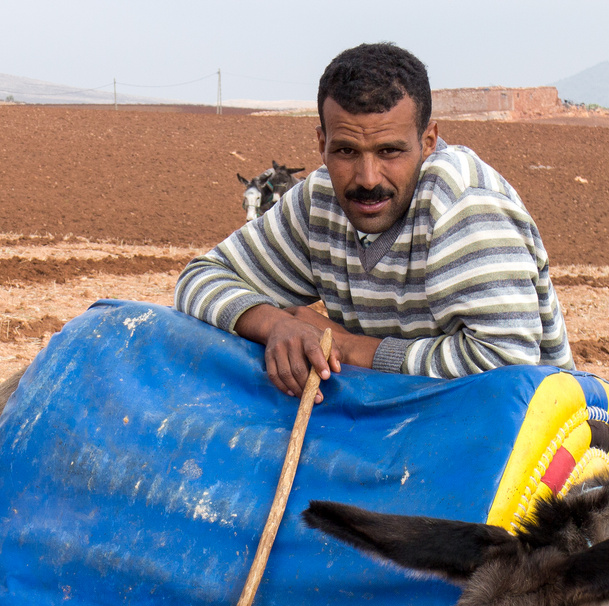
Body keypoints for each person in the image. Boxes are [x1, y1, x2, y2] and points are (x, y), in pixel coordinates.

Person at [175, 43, 570, 403]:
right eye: (346, 150)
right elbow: (200, 278)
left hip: (523, 436)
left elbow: (509, 368)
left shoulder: (462, 206)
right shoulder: (320, 201)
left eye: (389, 151)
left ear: (428, 140)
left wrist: (352, 348)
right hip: (397, 422)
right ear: (321, 142)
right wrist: (274, 324)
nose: (367, 178)